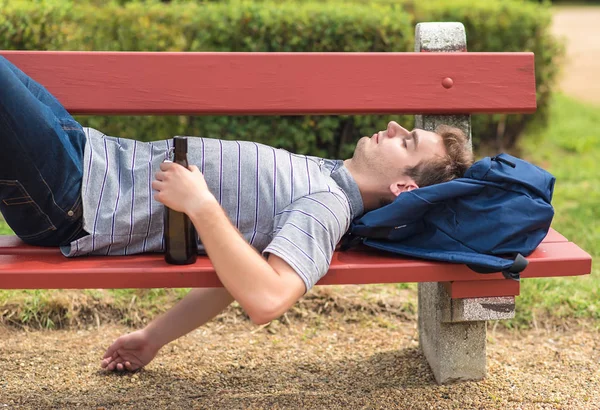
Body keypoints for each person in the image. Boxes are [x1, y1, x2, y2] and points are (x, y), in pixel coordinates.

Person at [0, 55, 473, 372]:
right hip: (86, 152)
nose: (393, 126)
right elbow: (235, 274)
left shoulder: (328, 207)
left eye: (406, 141)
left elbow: (267, 298)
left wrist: (200, 204)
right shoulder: (327, 175)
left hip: (74, 198)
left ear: (403, 187)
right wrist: (153, 337)